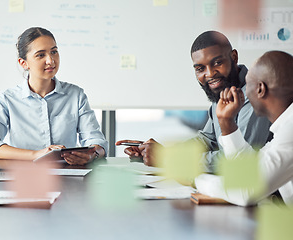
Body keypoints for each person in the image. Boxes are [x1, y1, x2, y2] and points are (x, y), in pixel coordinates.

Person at [116, 31, 271, 172]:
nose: (210, 74)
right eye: (200, 69)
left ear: (234, 57)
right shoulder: (224, 89)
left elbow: (238, 160)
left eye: (217, 63)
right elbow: (208, 139)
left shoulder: (255, 95)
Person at [0, 27, 107, 165]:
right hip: (25, 177)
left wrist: (93, 154)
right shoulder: (7, 99)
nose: (50, 61)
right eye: (40, 55)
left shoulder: (76, 95)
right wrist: (36, 154)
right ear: (23, 63)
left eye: (54, 52)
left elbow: (97, 142)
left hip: (68, 178)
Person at [195, 51, 293, 206]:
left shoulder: (290, 131)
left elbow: (246, 190)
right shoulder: (284, 129)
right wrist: (227, 123)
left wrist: (196, 180)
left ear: (260, 89)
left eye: (247, 84)